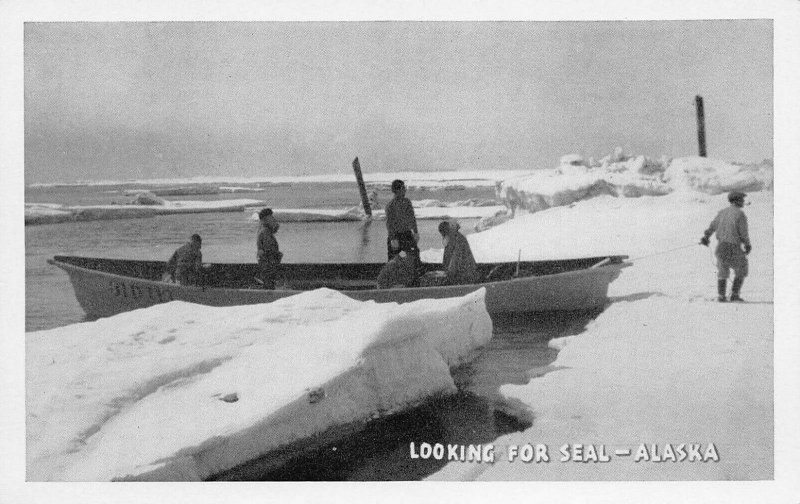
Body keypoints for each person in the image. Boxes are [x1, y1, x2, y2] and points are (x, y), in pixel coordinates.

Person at [700, 191, 751, 302]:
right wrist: (747, 244)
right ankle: (734, 295)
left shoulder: (722, 212)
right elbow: (743, 232)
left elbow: (712, 226)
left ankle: (721, 296)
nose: (743, 201)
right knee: (742, 268)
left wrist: (706, 236)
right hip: (733, 247)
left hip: (721, 247)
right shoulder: (740, 214)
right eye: (741, 199)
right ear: (736, 200)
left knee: (722, 271)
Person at [385, 179, 420, 264]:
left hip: (407, 236)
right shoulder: (391, 205)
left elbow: (412, 218)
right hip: (397, 237)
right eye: (403, 188)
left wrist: (415, 232)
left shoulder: (407, 202)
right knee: (397, 258)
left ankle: (414, 273)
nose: (405, 190)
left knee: (413, 256)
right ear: (397, 190)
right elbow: (390, 223)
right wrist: (393, 238)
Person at [439, 220, 480, 285]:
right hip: (462, 273)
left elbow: (455, 259)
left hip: (465, 276)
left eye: (443, 234)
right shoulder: (453, 238)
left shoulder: (456, 239)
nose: (442, 236)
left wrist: (448, 275)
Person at [257, 208, 283, 289]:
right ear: (265, 219)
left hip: (267, 269)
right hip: (269, 269)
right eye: (271, 217)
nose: (274, 219)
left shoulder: (264, 231)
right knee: (269, 286)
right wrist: (278, 255)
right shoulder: (265, 233)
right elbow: (269, 252)